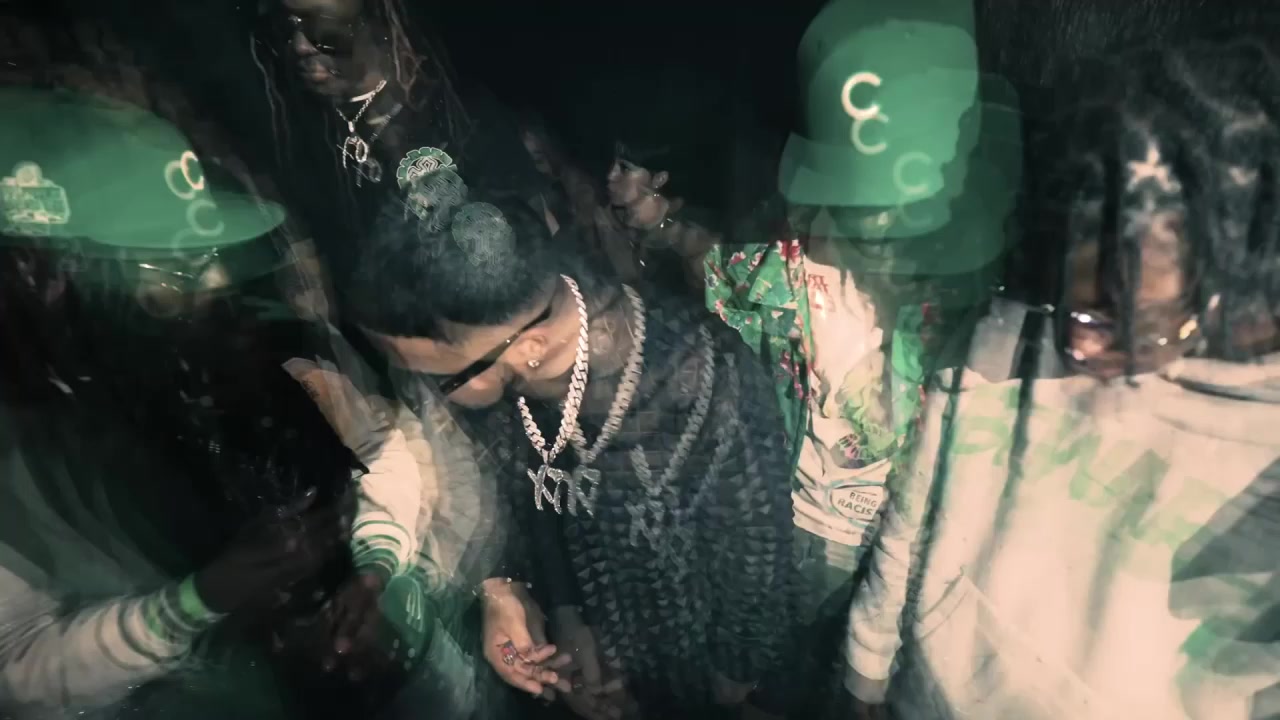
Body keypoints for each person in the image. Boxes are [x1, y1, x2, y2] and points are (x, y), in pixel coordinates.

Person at [844, 38, 1280, 719]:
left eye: (1121, 318)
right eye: (1075, 303)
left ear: (1226, 283)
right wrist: (863, 669)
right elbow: (913, 518)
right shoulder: (999, 338)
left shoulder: (1265, 465)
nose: (1074, 343)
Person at [346, 186, 796, 719]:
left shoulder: (705, 380)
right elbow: (524, 492)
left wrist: (726, 686)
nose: (429, 395)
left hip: (693, 665)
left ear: (530, 348)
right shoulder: (511, 364)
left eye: (438, 379)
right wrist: (524, 597)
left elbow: (756, 561)